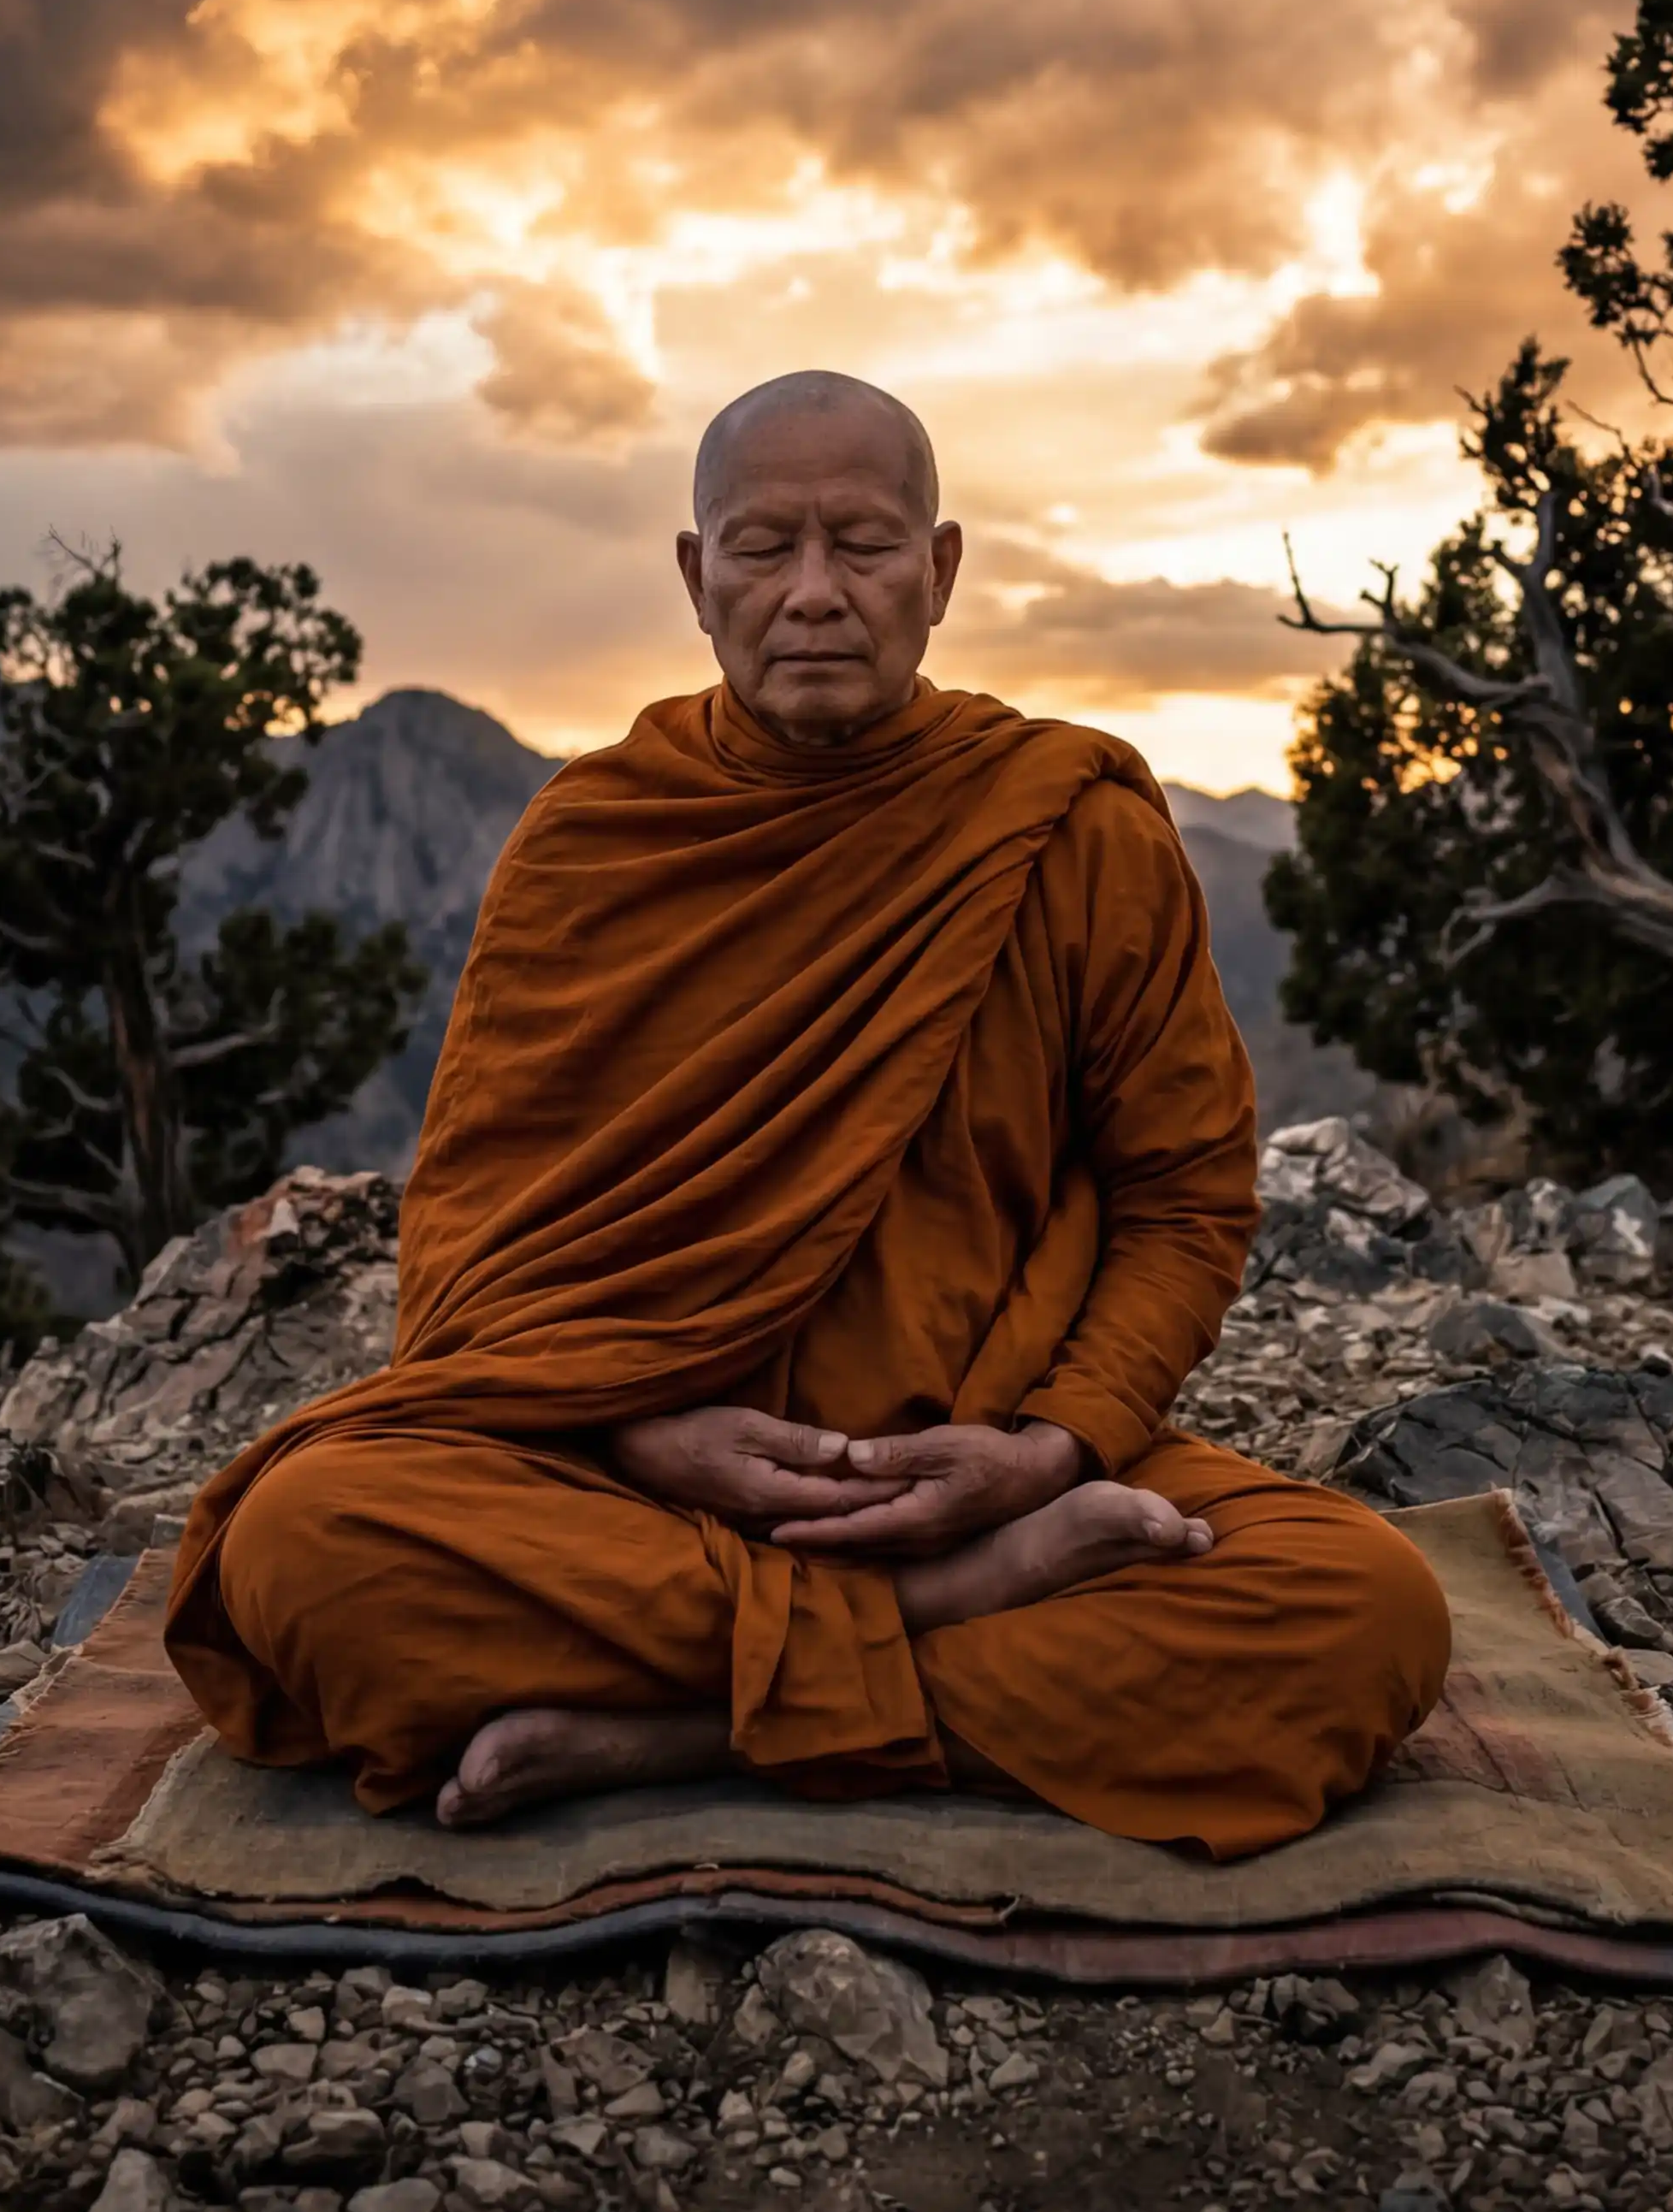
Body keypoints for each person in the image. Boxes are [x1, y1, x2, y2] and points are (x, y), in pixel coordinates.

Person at [166, 372, 1448, 1850]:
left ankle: (682, 1731)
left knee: (1365, 1616)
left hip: (974, 1468)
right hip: (635, 1484)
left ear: (942, 570)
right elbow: (464, 1245)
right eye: (766, 548)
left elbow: (1182, 1199)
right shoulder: (594, 843)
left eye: (866, 544)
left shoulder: (1070, 831)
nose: (818, 594)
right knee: (299, 1548)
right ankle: (936, 1633)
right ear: (697, 580)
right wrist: (643, 1430)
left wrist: (1051, 1453)